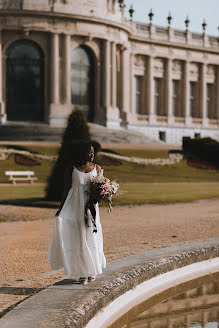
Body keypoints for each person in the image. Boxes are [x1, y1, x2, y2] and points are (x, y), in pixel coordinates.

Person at [48, 140, 106, 284]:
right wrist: (61, 209)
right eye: (89, 152)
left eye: (93, 152)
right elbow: (66, 188)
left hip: (91, 208)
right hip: (74, 205)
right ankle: (82, 272)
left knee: (91, 236)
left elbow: (100, 187)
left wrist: (105, 192)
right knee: (78, 237)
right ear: (82, 153)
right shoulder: (72, 168)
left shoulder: (97, 168)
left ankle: (92, 270)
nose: (92, 155)